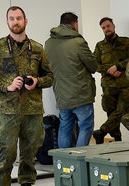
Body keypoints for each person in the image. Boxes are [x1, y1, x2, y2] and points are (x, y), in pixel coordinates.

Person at [0, 6, 53, 186]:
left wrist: (37, 81)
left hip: (33, 111)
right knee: (6, 154)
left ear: (26, 21)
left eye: (19, 18)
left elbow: (50, 77)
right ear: (7, 22)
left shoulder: (37, 49)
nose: (16, 22)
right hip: (8, 112)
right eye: (12, 19)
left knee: (29, 155)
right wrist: (7, 86)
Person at [45, 12, 97, 148]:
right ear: (74, 24)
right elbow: (93, 66)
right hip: (81, 95)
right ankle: (80, 160)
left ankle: (65, 162)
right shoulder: (78, 42)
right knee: (85, 127)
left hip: (62, 96)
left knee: (64, 128)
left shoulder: (49, 43)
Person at [92, 17, 129, 144]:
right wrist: (109, 70)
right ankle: (117, 140)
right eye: (103, 28)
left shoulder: (126, 42)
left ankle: (102, 131)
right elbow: (95, 64)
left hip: (124, 84)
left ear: (113, 26)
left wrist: (118, 66)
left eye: (108, 26)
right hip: (108, 85)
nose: (106, 29)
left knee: (123, 111)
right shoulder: (100, 46)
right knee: (110, 113)